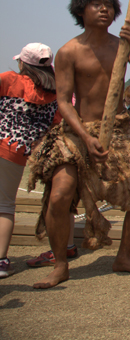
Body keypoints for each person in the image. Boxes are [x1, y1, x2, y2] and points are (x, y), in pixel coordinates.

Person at [27, 0, 130, 289]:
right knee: (60, 194)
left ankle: (123, 255)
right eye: (96, 5)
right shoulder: (69, 51)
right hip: (78, 131)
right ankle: (60, 264)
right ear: (80, 11)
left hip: (118, 131)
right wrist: (86, 137)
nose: (104, 9)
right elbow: (62, 100)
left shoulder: (121, 47)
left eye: (108, 5)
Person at [0, 44, 62, 279]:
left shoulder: (8, 79)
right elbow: (55, 125)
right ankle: (2, 260)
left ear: (23, 63)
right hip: (17, 153)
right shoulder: (54, 93)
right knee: (5, 205)